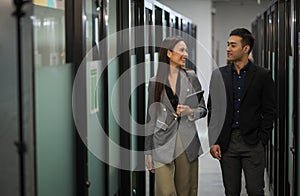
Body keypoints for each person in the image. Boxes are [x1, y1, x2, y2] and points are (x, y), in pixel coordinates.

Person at [208, 28, 276, 196]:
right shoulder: (219, 75)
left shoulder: (262, 75)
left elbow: (270, 111)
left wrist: (263, 139)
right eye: (227, 45)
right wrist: (214, 140)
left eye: (233, 45)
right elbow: (213, 110)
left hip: (253, 143)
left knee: (255, 191)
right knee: (231, 191)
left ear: (246, 49)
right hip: (227, 142)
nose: (228, 49)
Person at [144, 36, 207, 196]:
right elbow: (150, 119)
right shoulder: (154, 82)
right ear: (169, 53)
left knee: (185, 189)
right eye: (181, 50)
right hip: (161, 141)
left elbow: (203, 109)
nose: (185, 54)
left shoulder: (191, 77)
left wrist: (190, 111)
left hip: (186, 140)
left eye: (186, 50)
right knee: (165, 191)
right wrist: (148, 152)